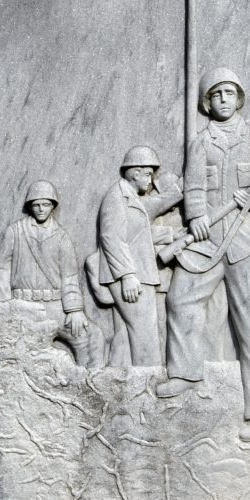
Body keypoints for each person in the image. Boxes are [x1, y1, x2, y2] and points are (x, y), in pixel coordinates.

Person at [157, 68, 250, 441]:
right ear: (207, 102)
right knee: (181, 298)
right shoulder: (201, 143)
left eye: (229, 93)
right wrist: (197, 217)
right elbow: (195, 189)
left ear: (239, 98)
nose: (222, 99)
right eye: (215, 94)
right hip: (208, 241)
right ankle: (185, 372)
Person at [0, 180, 104, 368]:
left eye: (46, 204)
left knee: (92, 336)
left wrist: (75, 310)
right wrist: (4, 308)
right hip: (23, 306)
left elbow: (69, 276)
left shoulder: (61, 237)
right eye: (36, 205)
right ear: (30, 206)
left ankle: (89, 386)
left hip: (55, 306)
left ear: (53, 206)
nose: (41, 209)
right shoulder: (15, 232)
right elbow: (0, 270)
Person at [97, 146, 182, 368]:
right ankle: (147, 385)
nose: (150, 180)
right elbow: (112, 237)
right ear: (135, 173)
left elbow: (144, 221)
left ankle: (121, 382)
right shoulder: (117, 197)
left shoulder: (130, 196)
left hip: (139, 274)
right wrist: (127, 275)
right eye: (147, 174)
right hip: (132, 276)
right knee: (145, 334)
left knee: (130, 332)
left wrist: (179, 193)